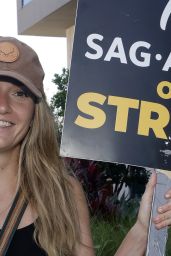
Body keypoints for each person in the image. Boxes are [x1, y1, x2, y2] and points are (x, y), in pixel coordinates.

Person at [0, 36, 170, 256]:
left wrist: (142, 228)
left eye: (19, 93)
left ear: (35, 112)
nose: (3, 105)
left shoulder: (62, 193)